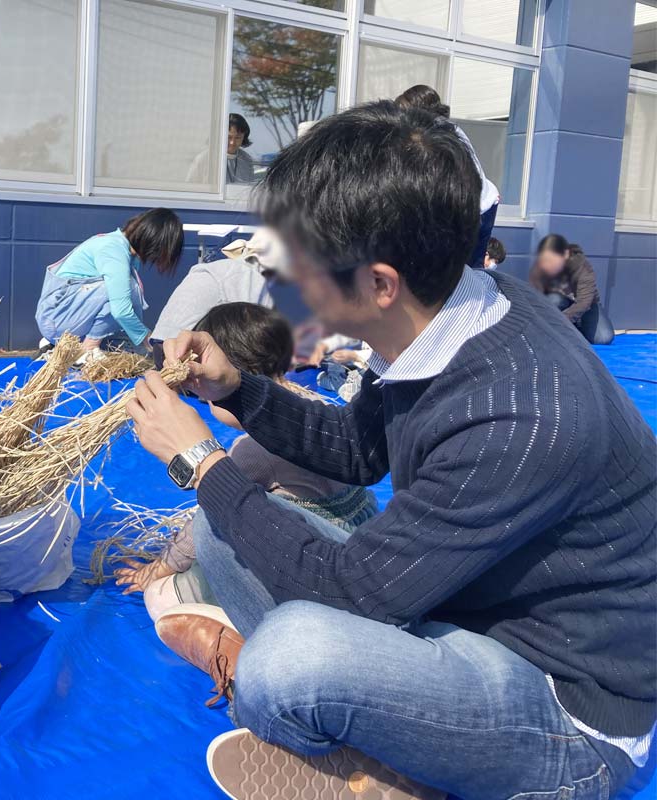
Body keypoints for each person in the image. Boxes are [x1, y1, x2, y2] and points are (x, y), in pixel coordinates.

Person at [126, 101, 654, 800]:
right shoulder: (444, 311)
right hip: (464, 605)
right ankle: (390, 760)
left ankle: (399, 761)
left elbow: (351, 594)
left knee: (286, 664)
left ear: (378, 284)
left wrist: (201, 462)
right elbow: (356, 447)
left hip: (564, 703)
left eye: (296, 264)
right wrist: (240, 392)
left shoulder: (519, 416)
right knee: (220, 532)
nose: (280, 283)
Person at [116, 303, 377, 680]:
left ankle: (238, 641)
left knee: (161, 597)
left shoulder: (253, 451)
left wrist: (161, 567)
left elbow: (207, 519)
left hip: (305, 565)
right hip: (355, 538)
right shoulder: (319, 408)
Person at [35, 208, 183, 361]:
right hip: (56, 321)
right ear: (154, 241)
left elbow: (129, 309)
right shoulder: (114, 250)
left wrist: (141, 345)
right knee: (123, 291)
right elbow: (121, 310)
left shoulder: (121, 247)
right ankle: (88, 348)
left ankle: (57, 345)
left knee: (128, 345)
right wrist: (149, 341)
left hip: (62, 317)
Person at [396, 85, 499, 269]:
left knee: (458, 274)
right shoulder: (448, 128)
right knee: (471, 273)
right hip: (486, 201)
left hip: (473, 209)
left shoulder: (436, 134)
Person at [148, 228, 281, 347]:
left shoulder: (229, 270)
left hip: (168, 348)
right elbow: (259, 338)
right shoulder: (249, 278)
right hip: (182, 356)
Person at [530, 233, 616, 345]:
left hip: (587, 306)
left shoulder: (583, 268)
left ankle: (574, 327)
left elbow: (584, 303)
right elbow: (536, 296)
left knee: (604, 338)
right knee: (553, 300)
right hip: (560, 303)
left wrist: (561, 320)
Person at [188, 113, 258, 186]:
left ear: (244, 138)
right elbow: (190, 189)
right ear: (219, 135)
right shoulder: (204, 159)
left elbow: (249, 190)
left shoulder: (247, 160)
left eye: (237, 138)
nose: (232, 142)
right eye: (229, 137)